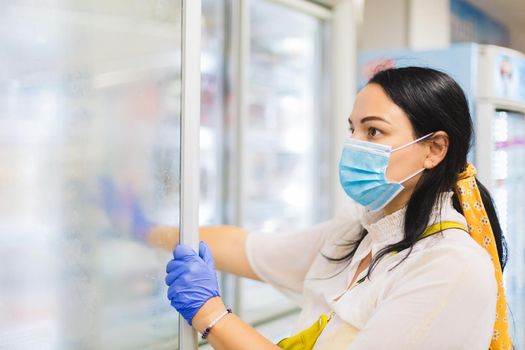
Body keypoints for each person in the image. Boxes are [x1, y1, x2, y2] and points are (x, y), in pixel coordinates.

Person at [151, 67, 512, 349]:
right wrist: (148, 232)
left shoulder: (451, 266)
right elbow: (248, 249)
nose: (352, 144)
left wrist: (211, 315)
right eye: (352, 129)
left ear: (434, 149)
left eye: (373, 132)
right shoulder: (360, 231)